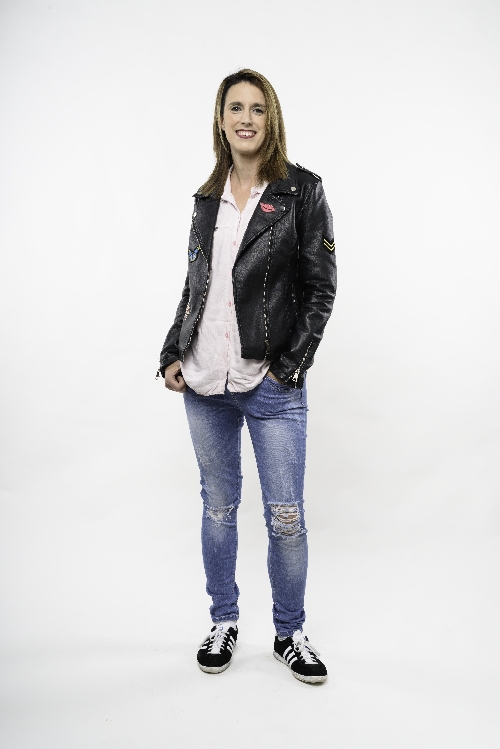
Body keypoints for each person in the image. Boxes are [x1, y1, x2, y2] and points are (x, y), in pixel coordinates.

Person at [158, 69, 336, 684]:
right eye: (235, 107)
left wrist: (289, 368)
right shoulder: (207, 197)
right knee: (218, 509)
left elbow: (320, 289)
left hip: (271, 383)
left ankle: (290, 632)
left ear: (271, 118)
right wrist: (172, 352)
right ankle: (224, 620)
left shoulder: (301, 191)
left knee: (285, 516)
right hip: (204, 380)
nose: (246, 118)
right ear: (220, 119)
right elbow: (195, 286)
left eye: (257, 108)